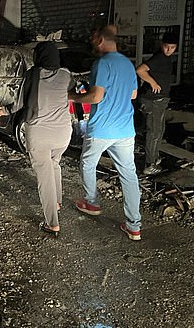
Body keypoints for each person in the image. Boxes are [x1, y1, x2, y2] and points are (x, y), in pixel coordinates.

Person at [69, 25, 142, 241]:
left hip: (102, 128)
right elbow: (133, 94)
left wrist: (72, 97)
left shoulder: (101, 63)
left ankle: (91, 202)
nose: (91, 42)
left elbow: (95, 97)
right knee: (129, 175)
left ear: (101, 40)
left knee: (88, 164)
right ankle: (134, 226)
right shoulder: (128, 64)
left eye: (93, 38)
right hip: (125, 129)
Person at [0, 42, 73, 237]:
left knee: (44, 176)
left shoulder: (33, 74)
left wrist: (5, 110)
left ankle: (52, 223)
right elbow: (70, 93)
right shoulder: (66, 74)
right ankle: (56, 202)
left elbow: (20, 102)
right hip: (63, 133)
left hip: (40, 133)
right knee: (55, 163)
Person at [136, 32, 178, 175]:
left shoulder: (166, 59)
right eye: (167, 47)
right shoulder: (159, 58)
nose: (169, 50)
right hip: (154, 101)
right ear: (162, 46)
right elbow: (140, 70)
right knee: (154, 131)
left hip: (159, 100)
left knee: (158, 130)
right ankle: (150, 164)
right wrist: (152, 82)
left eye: (172, 48)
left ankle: (154, 157)